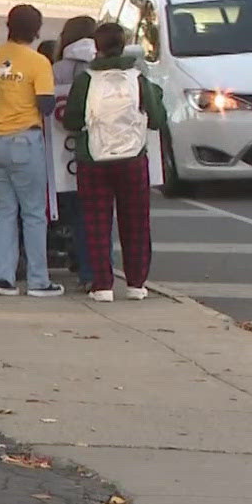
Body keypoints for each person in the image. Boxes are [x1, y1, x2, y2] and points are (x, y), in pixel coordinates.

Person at [62, 22, 165, 302]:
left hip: (93, 159)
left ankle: (102, 285)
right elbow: (157, 119)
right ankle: (136, 283)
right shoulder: (138, 78)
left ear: (97, 48)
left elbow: (71, 119)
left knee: (96, 221)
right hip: (132, 158)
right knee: (136, 221)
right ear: (124, 45)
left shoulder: (86, 80)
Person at [0, 5, 62, 298]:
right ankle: (39, 280)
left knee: (3, 209)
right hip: (23, 141)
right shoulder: (39, 63)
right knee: (34, 212)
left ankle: (1, 276)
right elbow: (46, 106)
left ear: (8, 26)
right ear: (37, 31)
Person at [51, 15, 99, 288]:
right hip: (97, 152)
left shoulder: (57, 69)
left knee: (73, 210)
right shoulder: (98, 67)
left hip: (62, 156)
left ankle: (78, 258)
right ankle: (93, 266)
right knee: (95, 212)